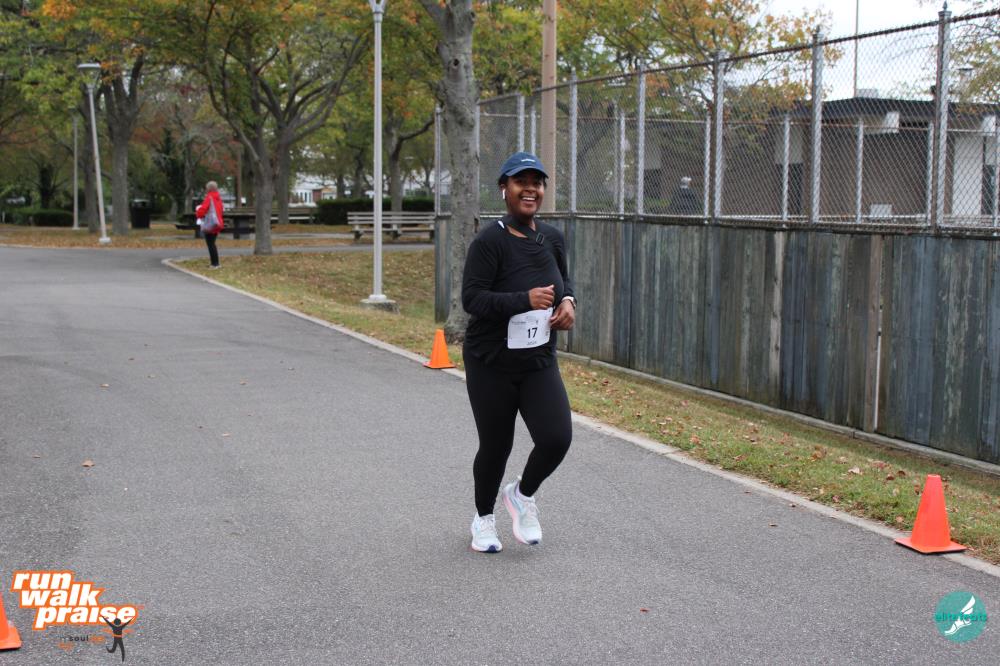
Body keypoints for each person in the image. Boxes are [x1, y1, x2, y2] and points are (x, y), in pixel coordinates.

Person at [461, 151, 577, 553]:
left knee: (556, 437)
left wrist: (569, 302)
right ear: (504, 189)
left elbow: (563, 282)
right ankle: (483, 519)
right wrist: (523, 300)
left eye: (537, 183)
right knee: (496, 446)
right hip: (490, 361)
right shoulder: (489, 242)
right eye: (521, 182)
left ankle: (522, 495)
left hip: (537, 360)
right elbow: (472, 299)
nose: (530, 189)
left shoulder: (552, 238)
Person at [195, 181, 225, 268]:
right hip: (217, 222)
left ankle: (215, 264)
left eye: (206, 188)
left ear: (209, 189)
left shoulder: (209, 197)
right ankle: (215, 263)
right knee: (212, 243)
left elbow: (203, 209)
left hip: (210, 223)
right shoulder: (218, 198)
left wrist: (198, 214)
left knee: (210, 244)